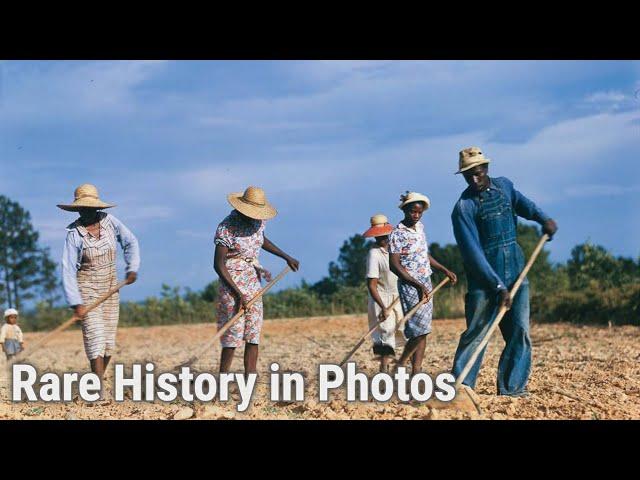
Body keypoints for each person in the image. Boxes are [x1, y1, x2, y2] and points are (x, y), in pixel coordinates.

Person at [450, 147, 558, 397]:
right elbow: (472, 254)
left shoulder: (505, 187)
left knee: (519, 331)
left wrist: (544, 219)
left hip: (517, 270)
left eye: (477, 173)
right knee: (477, 333)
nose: (474, 180)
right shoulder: (463, 208)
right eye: (468, 176)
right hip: (484, 279)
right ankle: (460, 389)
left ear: (486, 169)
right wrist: (496, 286)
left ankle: (513, 388)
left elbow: (524, 205)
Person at [214, 186, 299, 376]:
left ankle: (249, 377)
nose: (254, 216)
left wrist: (286, 256)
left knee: (253, 333)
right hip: (231, 284)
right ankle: (222, 380)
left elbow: (261, 240)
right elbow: (218, 265)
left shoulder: (258, 223)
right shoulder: (226, 228)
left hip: (253, 282)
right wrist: (238, 294)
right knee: (232, 334)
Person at [59, 184, 140, 381]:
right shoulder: (74, 234)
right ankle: (97, 389)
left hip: (111, 287)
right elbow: (68, 269)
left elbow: (130, 242)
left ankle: (94, 384)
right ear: (77, 209)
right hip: (86, 288)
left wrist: (132, 268)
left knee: (108, 342)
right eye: (83, 208)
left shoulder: (110, 222)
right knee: (95, 337)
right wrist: (76, 302)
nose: (87, 212)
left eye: (90, 208)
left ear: (98, 208)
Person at [389, 192, 458, 374]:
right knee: (417, 329)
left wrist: (444, 269)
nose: (416, 216)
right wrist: (416, 284)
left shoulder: (420, 228)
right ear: (405, 210)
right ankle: (404, 364)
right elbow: (394, 265)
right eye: (413, 212)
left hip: (425, 281)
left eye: (419, 213)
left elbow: (423, 255)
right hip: (409, 285)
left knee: (424, 329)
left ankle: (416, 368)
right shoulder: (397, 233)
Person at [363, 214, 405, 372]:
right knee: (385, 335)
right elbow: (371, 285)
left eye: (385, 234)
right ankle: (384, 370)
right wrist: (383, 307)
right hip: (381, 298)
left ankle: (408, 368)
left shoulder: (396, 249)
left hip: (398, 296)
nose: (383, 238)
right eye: (379, 235)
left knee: (403, 331)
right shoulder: (374, 254)